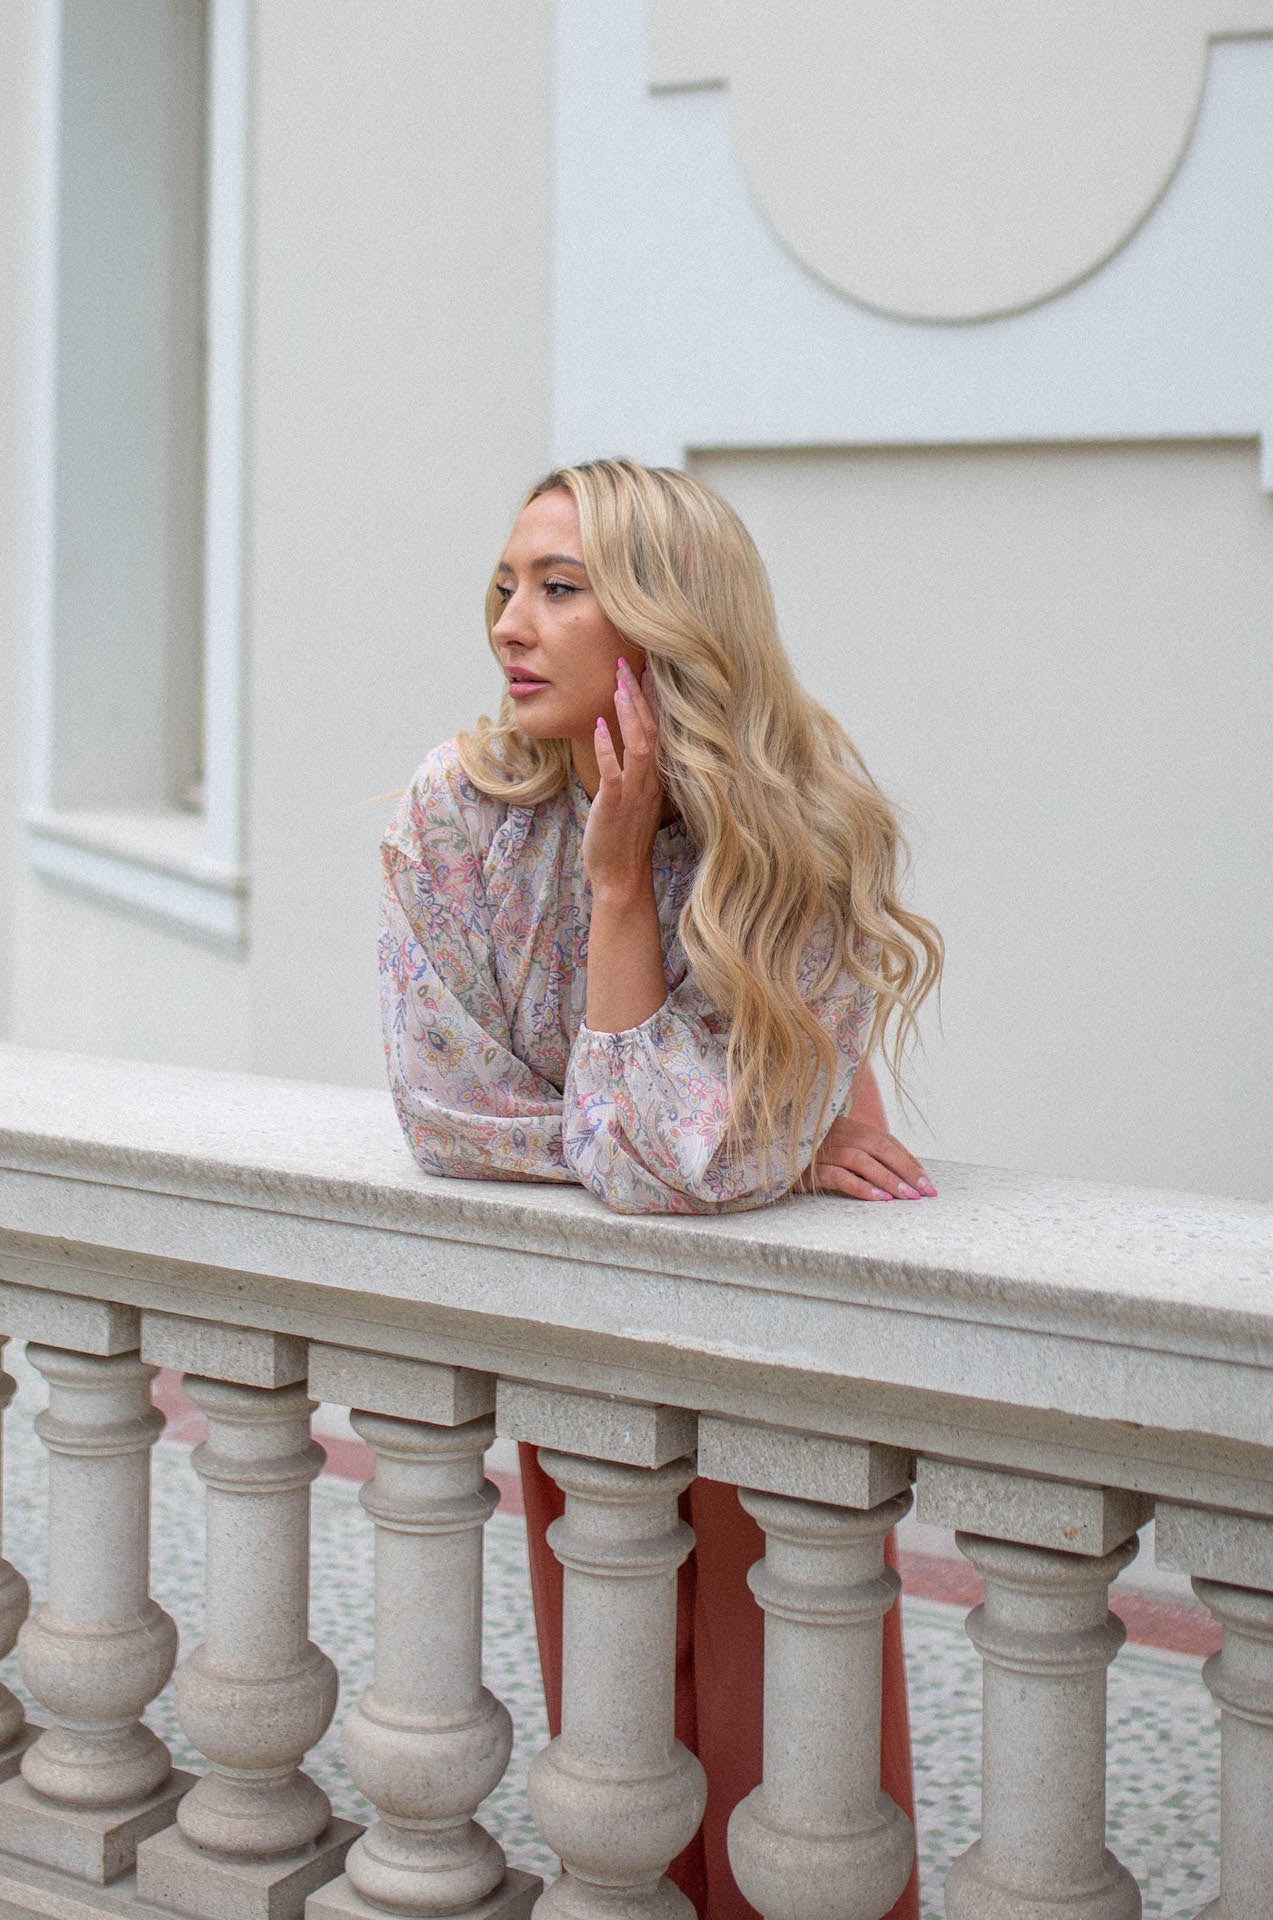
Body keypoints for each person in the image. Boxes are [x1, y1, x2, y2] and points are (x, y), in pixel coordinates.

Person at [379, 458, 942, 1920]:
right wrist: (744, 1122)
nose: (512, 618)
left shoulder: (801, 819)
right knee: (621, 1740)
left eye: (562, 588)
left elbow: (648, 1160)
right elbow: (458, 1119)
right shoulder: (452, 815)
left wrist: (630, 897)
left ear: (668, 618)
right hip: (586, 1336)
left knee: (793, 1745)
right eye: (508, 582)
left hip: (769, 1346)